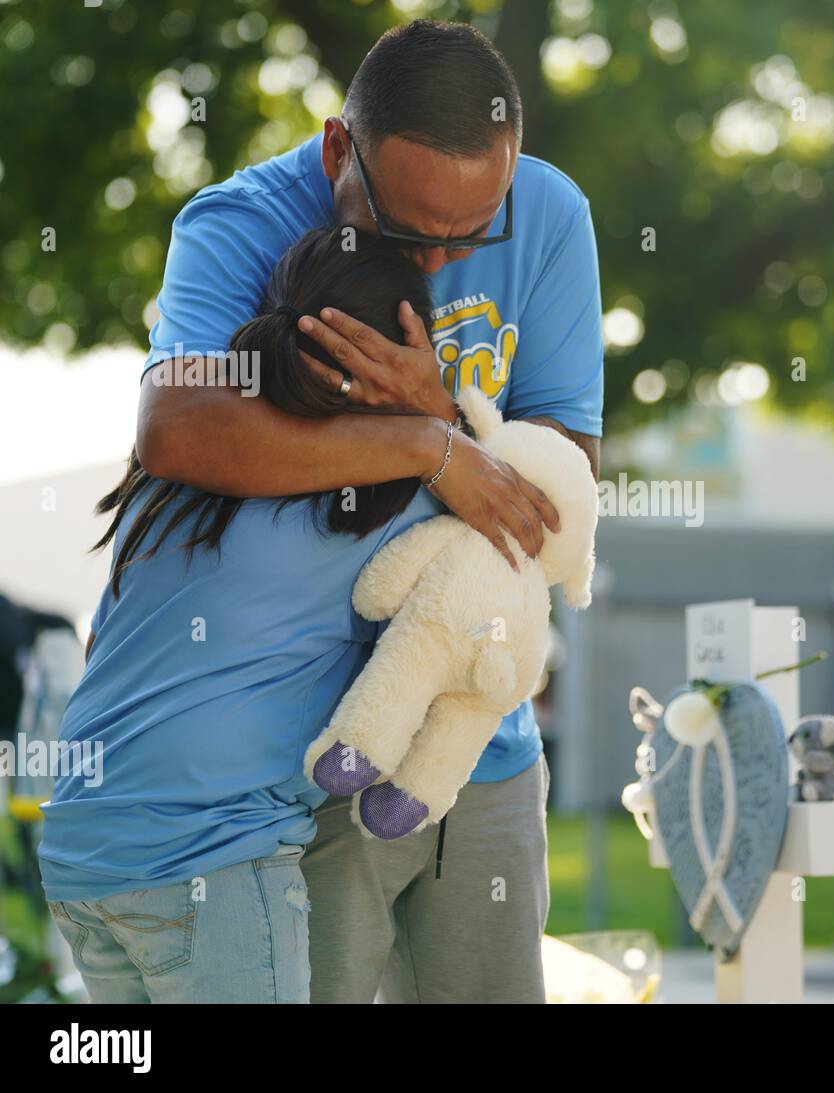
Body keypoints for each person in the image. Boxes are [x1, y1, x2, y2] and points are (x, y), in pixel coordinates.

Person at [134, 20, 603, 1002]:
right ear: (338, 148)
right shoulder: (232, 225)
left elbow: (560, 491)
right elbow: (178, 429)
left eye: (472, 233)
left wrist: (440, 410)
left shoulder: (553, 213)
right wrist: (426, 446)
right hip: (294, 752)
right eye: (408, 232)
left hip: (482, 745)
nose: (440, 262)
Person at [38, 228, 440, 1003]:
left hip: (82, 855)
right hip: (206, 860)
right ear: (388, 357)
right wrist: (433, 412)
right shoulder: (387, 505)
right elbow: (536, 527)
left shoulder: (174, 471)